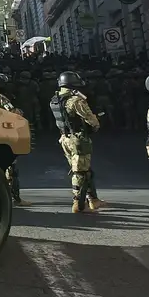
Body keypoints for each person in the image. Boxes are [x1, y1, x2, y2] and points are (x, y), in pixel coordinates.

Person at [48, 71, 106, 214]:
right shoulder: (75, 100)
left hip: (65, 139)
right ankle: (78, 204)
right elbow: (91, 119)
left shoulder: (55, 99)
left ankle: (93, 200)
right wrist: (96, 123)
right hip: (78, 139)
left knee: (85, 170)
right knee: (80, 172)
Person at [0, 74, 33, 206]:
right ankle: (15, 199)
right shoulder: (0, 97)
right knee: (11, 169)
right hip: (3, 136)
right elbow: (14, 112)